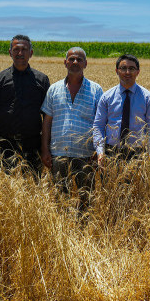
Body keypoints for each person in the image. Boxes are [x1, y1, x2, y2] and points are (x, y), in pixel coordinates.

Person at [40, 47, 103, 212]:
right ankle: (64, 230)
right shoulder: (54, 89)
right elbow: (47, 121)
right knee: (61, 198)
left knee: (86, 198)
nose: (75, 62)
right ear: (65, 62)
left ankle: (83, 230)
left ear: (86, 64)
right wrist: (45, 149)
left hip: (86, 155)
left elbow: (101, 122)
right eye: (72, 59)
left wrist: (98, 150)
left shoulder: (96, 90)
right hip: (58, 153)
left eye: (79, 59)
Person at [0, 35, 50, 179]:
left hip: (33, 144)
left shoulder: (42, 80)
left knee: (32, 187)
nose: (20, 53)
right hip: (4, 145)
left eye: (24, 49)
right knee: (6, 188)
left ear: (31, 53)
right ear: (10, 52)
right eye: (16, 50)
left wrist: (45, 148)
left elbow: (47, 117)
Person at [93, 54, 150, 167]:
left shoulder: (148, 98)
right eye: (123, 68)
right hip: (111, 152)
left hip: (138, 153)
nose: (127, 72)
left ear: (138, 72)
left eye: (131, 68)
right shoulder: (107, 97)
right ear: (116, 71)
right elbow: (98, 125)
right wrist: (100, 152)